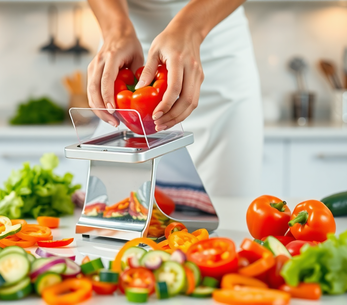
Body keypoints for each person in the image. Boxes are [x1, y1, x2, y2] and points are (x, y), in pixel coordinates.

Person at [86, 0, 263, 197]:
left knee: (231, 208)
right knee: (122, 207)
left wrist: (191, 28)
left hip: (219, 53)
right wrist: (115, 29)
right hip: (122, 61)